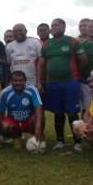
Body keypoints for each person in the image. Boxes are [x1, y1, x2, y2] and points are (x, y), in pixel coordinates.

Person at [37, 18, 88, 153]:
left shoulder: (72, 41)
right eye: (52, 25)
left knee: (72, 113)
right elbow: (41, 64)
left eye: (56, 25)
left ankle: (77, 143)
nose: (53, 27)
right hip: (52, 84)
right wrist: (39, 82)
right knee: (58, 113)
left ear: (64, 27)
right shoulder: (47, 44)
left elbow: (83, 60)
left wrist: (75, 72)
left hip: (70, 82)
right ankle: (60, 141)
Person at [0, 70, 44, 147]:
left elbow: (38, 106)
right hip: (14, 122)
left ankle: (38, 135)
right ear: (11, 81)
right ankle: (17, 137)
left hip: (29, 121)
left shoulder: (32, 89)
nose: (18, 83)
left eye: (21, 80)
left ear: (25, 81)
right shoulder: (5, 93)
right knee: (4, 125)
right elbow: (0, 114)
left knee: (39, 115)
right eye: (15, 81)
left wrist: (38, 127)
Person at [5, 23, 42, 87]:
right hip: (15, 83)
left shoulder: (35, 42)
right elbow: (8, 65)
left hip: (32, 82)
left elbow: (41, 64)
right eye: (15, 31)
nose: (18, 33)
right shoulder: (9, 46)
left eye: (20, 30)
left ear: (26, 31)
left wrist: (39, 83)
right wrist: (8, 82)